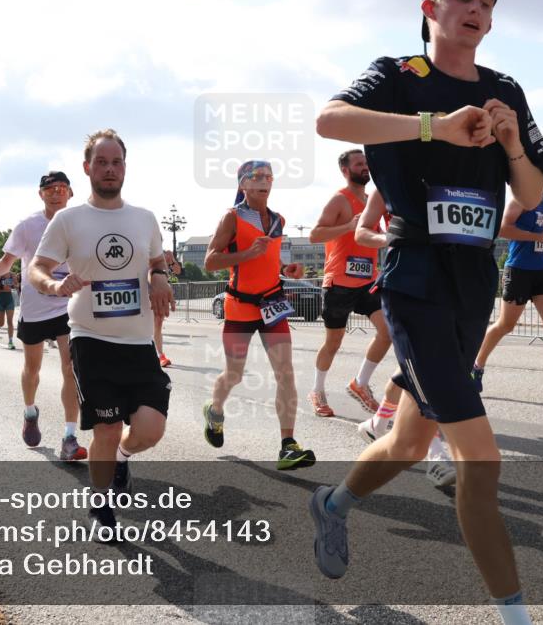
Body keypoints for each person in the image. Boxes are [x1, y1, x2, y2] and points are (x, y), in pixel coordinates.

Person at [309, 0, 543, 622]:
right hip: (415, 277)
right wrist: (433, 126)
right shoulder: (397, 74)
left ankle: (331, 505)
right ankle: (517, 616)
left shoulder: (505, 90)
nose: (476, 9)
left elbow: (531, 195)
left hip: (475, 279)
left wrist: (509, 143)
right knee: (483, 460)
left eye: (487, 2)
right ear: (430, 7)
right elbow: (329, 121)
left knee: (412, 442)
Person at [29, 130, 173, 538]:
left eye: (117, 162)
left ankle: (124, 457)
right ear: (88, 167)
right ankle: (101, 503)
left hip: (138, 341)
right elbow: (36, 268)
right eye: (102, 162)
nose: (110, 169)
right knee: (106, 429)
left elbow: (156, 258)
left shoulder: (143, 218)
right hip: (91, 339)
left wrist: (159, 277)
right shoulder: (68, 220)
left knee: (150, 430)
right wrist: (54, 285)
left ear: (125, 167)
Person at [0, 171, 88, 461]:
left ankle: (69, 436)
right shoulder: (28, 226)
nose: (56, 192)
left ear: (70, 193)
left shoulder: (81, 223)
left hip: (68, 306)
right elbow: (5, 264)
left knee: (71, 369)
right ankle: (30, 412)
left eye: (62, 188)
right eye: (50, 188)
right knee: (33, 370)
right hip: (35, 307)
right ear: (40, 194)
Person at [203, 159, 316, 471]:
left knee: (286, 372)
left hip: (272, 305)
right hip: (239, 307)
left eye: (269, 175)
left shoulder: (279, 220)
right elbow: (211, 262)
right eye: (257, 176)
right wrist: (245, 254)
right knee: (235, 375)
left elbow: (270, 261)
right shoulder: (232, 217)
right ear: (243, 185)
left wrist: (286, 270)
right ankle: (214, 411)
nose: (264, 180)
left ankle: (287, 445)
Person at [353, 189, 457, 487]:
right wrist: (386, 239)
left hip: (450, 280)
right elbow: (362, 232)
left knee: (417, 366)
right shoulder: (387, 185)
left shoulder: (449, 178)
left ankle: (377, 423)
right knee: (424, 367)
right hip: (405, 281)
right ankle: (436, 457)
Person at [308, 149, 392, 417]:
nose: (365, 167)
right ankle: (317, 390)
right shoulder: (339, 200)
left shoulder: (372, 200)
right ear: (345, 170)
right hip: (339, 282)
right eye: (359, 164)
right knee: (334, 342)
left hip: (368, 281)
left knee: (388, 331)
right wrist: (348, 226)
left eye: (367, 163)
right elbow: (314, 235)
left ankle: (360, 383)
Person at [472, 175, 543, 386]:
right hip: (519, 269)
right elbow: (502, 229)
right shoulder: (521, 199)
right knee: (505, 325)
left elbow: (540, 232)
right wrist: (538, 238)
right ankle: (477, 365)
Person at [153, 251, 183, 367]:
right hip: (146, 291)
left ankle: (160, 355)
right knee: (146, 325)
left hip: (161, 292)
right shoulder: (146, 250)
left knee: (158, 323)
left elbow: (178, 271)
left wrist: (172, 262)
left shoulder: (167, 253)